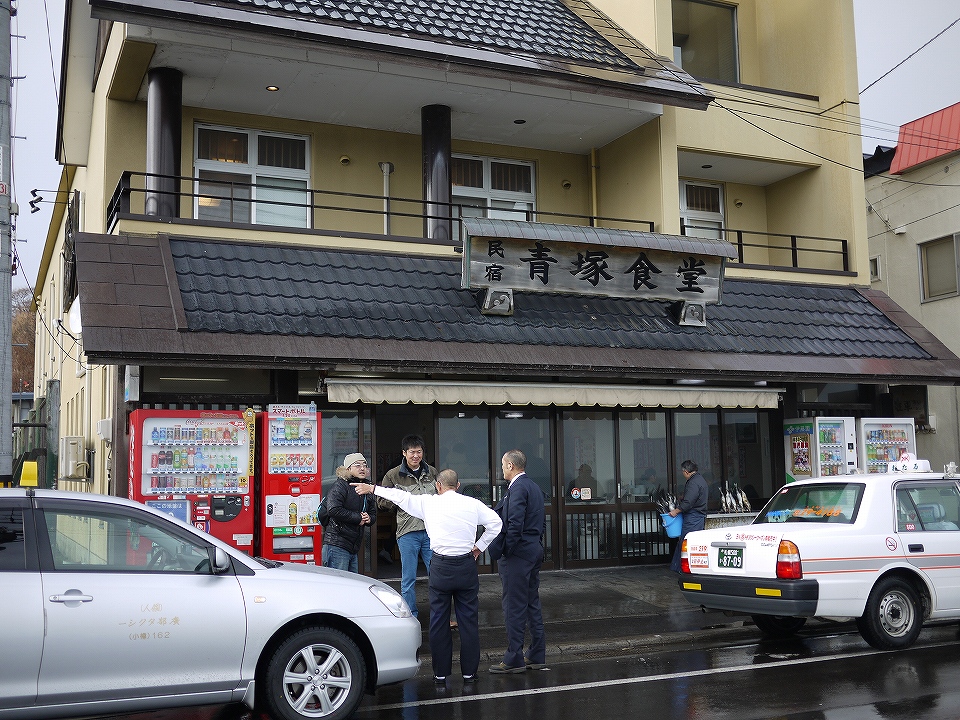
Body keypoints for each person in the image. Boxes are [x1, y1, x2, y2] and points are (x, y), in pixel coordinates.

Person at [351, 469, 502, 685]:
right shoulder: (473, 504)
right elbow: (496, 524)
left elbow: (400, 496)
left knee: (439, 621)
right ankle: (469, 673)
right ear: (457, 486)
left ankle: (440, 674)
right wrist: (479, 547)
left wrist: (373, 488)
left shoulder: (429, 503)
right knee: (468, 621)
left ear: (438, 486)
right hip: (466, 565)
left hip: (441, 566)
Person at [488, 449, 546, 674]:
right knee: (532, 602)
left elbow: (514, 524)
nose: (501, 469)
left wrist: (507, 551)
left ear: (510, 465)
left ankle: (514, 656)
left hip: (519, 554)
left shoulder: (518, 487)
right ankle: (537, 652)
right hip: (533, 549)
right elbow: (541, 523)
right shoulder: (534, 487)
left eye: (503, 465)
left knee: (513, 605)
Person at [379, 435, 440, 619]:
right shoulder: (393, 475)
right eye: (412, 452)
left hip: (431, 532)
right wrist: (400, 500)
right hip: (407, 532)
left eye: (419, 452)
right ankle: (411, 616)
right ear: (404, 453)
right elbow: (381, 501)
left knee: (437, 577)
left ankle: (440, 614)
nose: (416, 455)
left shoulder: (433, 472)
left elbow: (443, 496)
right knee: (408, 579)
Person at [321, 453, 377, 573]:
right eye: (357, 465)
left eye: (364, 465)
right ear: (348, 469)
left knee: (351, 585)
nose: (362, 468)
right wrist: (358, 518)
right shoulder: (341, 485)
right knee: (339, 586)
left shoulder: (367, 487)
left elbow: (373, 512)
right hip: (336, 544)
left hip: (353, 547)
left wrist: (369, 518)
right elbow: (333, 509)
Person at [668, 459, 708, 573]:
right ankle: (684, 567)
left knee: (686, 542)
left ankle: (682, 569)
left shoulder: (693, 482)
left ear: (686, 472)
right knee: (693, 542)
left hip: (693, 516)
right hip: (698, 516)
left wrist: (676, 510)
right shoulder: (700, 479)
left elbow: (689, 502)